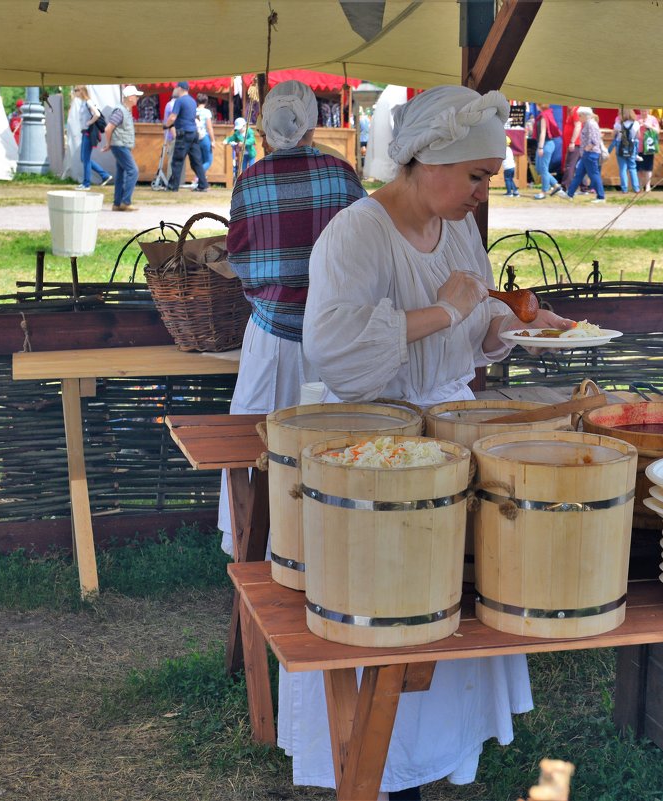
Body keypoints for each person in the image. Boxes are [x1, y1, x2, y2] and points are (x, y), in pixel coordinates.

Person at [301, 84, 564, 799]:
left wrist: (515, 327)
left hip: (448, 430)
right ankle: (376, 762)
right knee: (389, 606)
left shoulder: (458, 230)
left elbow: (474, 326)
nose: (484, 190)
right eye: (477, 175)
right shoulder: (356, 233)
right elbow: (337, 353)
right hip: (375, 446)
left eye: (490, 176)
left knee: (449, 602)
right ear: (425, 160)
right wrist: (438, 309)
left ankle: (433, 751)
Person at [215, 79, 366, 558]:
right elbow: (365, 255)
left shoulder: (251, 180)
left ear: (265, 125)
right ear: (312, 123)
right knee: (333, 443)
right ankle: (330, 544)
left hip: (271, 335)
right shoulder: (343, 176)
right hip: (335, 336)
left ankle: (251, 546)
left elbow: (238, 256)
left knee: (253, 444)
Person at [100, 85, 144, 212]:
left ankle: (117, 203)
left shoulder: (123, 110)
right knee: (133, 171)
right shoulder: (120, 111)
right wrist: (109, 144)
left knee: (121, 173)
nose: (137, 98)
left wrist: (110, 143)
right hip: (120, 145)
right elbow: (108, 128)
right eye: (136, 96)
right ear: (130, 98)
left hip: (121, 145)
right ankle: (126, 202)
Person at [163, 81, 208, 191]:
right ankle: (203, 185)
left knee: (177, 160)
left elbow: (173, 117)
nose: (175, 90)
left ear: (180, 88)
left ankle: (173, 186)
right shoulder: (192, 101)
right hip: (193, 133)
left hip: (183, 133)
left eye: (176, 88)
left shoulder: (179, 100)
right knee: (196, 161)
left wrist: (166, 125)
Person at [560, 107, 605, 202]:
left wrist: (586, 149)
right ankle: (569, 194)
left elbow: (594, 141)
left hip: (590, 154)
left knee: (594, 175)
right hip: (587, 154)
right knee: (579, 175)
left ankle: (601, 197)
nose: (579, 117)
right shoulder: (587, 123)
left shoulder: (591, 124)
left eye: (580, 115)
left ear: (585, 115)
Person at [72, 86, 111, 189]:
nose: (75, 92)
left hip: (88, 133)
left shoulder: (88, 102)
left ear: (82, 91)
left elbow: (97, 114)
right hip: (85, 133)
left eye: (76, 90)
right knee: (84, 158)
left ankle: (86, 183)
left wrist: (89, 122)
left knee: (85, 159)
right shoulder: (83, 103)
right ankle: (104, 175)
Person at [531, 103, 562, 199]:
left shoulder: (544, 116)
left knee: (543, 169)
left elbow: (543, 132)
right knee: (539, 168)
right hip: (545, 144)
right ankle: (556, 186)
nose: (535, 105)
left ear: (540, 105)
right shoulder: (545, 114)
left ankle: (544, 192)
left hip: (546, 144)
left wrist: (540, 147)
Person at [609, 108, 641, 193]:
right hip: (631, 146)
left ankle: (624, 189)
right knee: (632, 167)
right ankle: (636, 188)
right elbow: (638, 135)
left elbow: (613, 135)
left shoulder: (618, 124)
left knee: (623, 168)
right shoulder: (636, 123)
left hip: (620, 146)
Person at [636, 108, 660, 192]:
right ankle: (639, 185)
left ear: (648, 111)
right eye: (642, 111)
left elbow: (657, 131)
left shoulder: (653, 119)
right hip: (638, 145)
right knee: (638, 168)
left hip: (649, 146)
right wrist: (638, 125)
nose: (643, 112)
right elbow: (632, 131)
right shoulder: (636, 118)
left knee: (648, 167)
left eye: (645, 111)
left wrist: (649, 126)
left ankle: (648, 185)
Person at [195, 93, 215, 173]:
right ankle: (197, 177)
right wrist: (213, 140)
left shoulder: (194, 111)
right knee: (208, 161)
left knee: (201, 160)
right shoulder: (207, 112)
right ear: (206, 102)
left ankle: (201, 180)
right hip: (204, 137)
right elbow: (209, 128)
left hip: (196, 137)